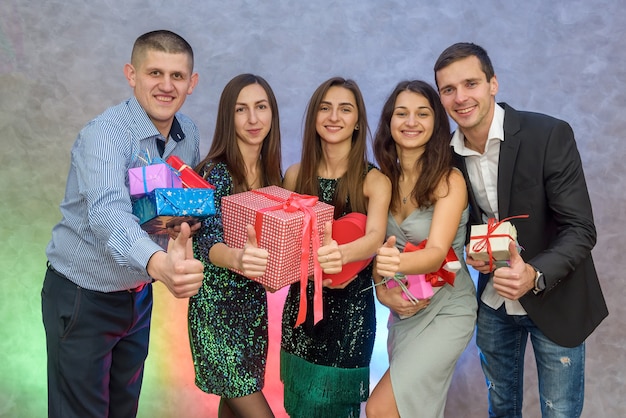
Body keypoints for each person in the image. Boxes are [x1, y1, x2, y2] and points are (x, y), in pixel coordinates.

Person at [434, 42, 609, 417]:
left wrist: (534, 273)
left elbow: (581, 228)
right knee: (501, 410)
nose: (460, 97)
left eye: (471, 84)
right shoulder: (445, 155)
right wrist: (471, 251)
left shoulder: (547, 135)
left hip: (556, 297)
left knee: (559, 413)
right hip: (494, 304)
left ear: (493, 83)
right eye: (448, 89)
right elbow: (462, 223)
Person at [42, 30, 204, 418]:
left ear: (192, 83)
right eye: (155, 73)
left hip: (137, 296)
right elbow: (106, 214)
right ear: (132, 75)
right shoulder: (105, 134)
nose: (166, 86)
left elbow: (175, 206)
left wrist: (185, 231)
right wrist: (160, 264)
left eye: (177, 76)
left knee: (123, 411)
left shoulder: (189, 134)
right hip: (84, 297)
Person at [365, 80, 477, 418]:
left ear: (436, 123)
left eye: (422, 114)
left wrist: (387, 264)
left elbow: (437, 252)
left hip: (447, 310)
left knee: (381, 409)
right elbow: (376, 249)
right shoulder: (382, 179)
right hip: (404, 314)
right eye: (402, 113)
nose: (411, 122)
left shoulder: (449, 180)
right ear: (389, 122)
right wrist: (382, 288)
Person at [280, 77, 391, 417]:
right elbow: (286, 241)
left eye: (345, 109)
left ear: (358, 121)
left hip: (350, 316)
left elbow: (374, 238)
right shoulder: (295, 175)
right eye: (325, 108)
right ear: (314, 116)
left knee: (334, 408)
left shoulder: (374, 180)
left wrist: (340, 255)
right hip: (299, 313)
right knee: (299, 406)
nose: (334, 116)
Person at [188, 73, 283, 418]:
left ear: (272, 113)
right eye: (242, 110)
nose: (253, 119)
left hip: (252, 313)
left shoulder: (273, 175)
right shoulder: (216, 171)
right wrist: (238, 258)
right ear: (229, 117)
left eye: (261, 107)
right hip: (217, 315)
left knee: (232, 409)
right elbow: (207, 242)